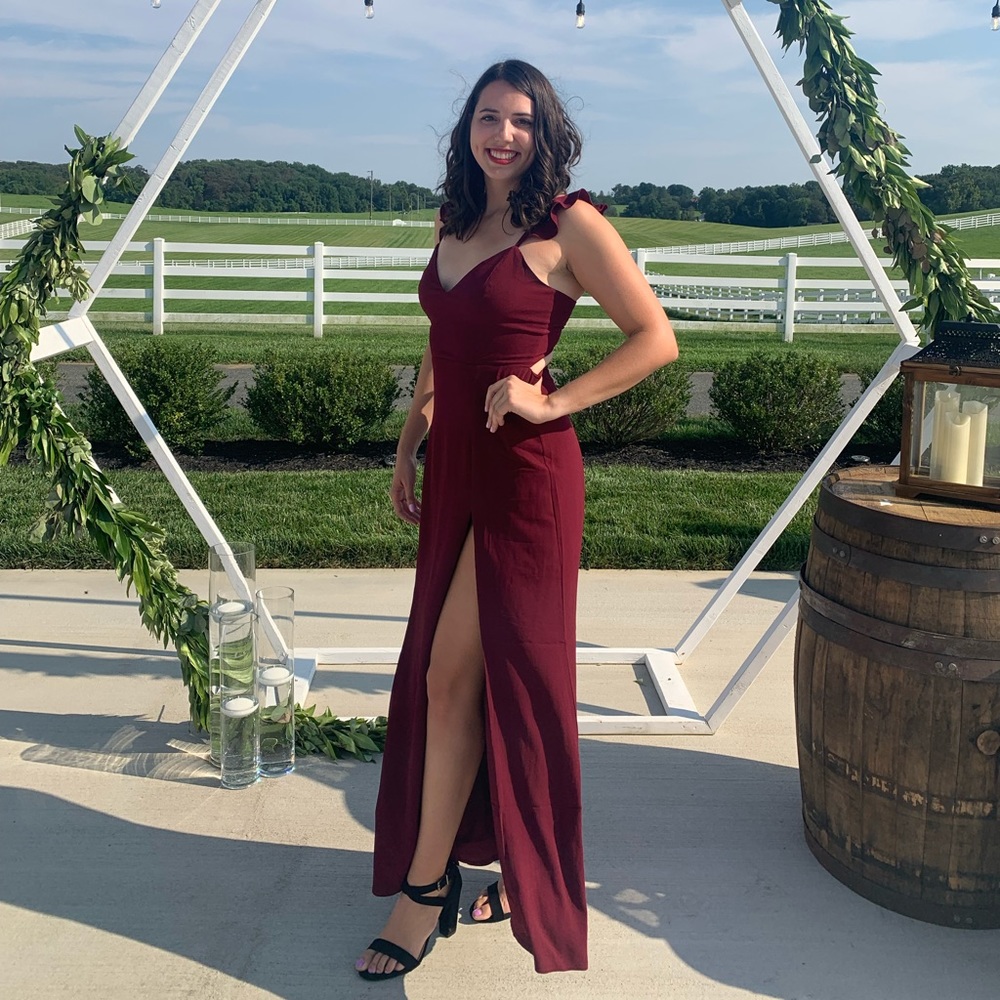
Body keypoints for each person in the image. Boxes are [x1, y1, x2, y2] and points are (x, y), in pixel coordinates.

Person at [355, 58, 677, 980]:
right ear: (467, 129)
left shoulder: (570, 224)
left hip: (528, 480)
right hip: (456, 468)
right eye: (489, 117)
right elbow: (441, 337)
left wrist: (554, 401)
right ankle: (474, 870)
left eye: (522, 120)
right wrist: (410, 439)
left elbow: (657, 338)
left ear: (546, 132)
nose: (503, 134)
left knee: (477, 682)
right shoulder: (455, 218)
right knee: (455, 678)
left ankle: (426, 893)